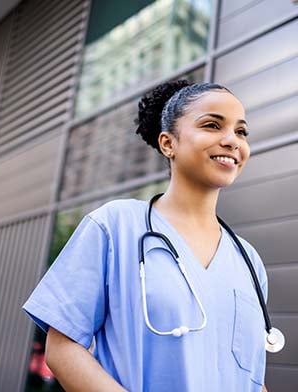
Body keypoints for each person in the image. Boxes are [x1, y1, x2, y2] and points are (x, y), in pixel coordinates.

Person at [23, 80, 269, 391]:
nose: (232, 141)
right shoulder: (115, 226)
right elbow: (62, 349)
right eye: (212, 125)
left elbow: (253, 378)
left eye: (241, 131)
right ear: (169, 143)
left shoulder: (248, 262)